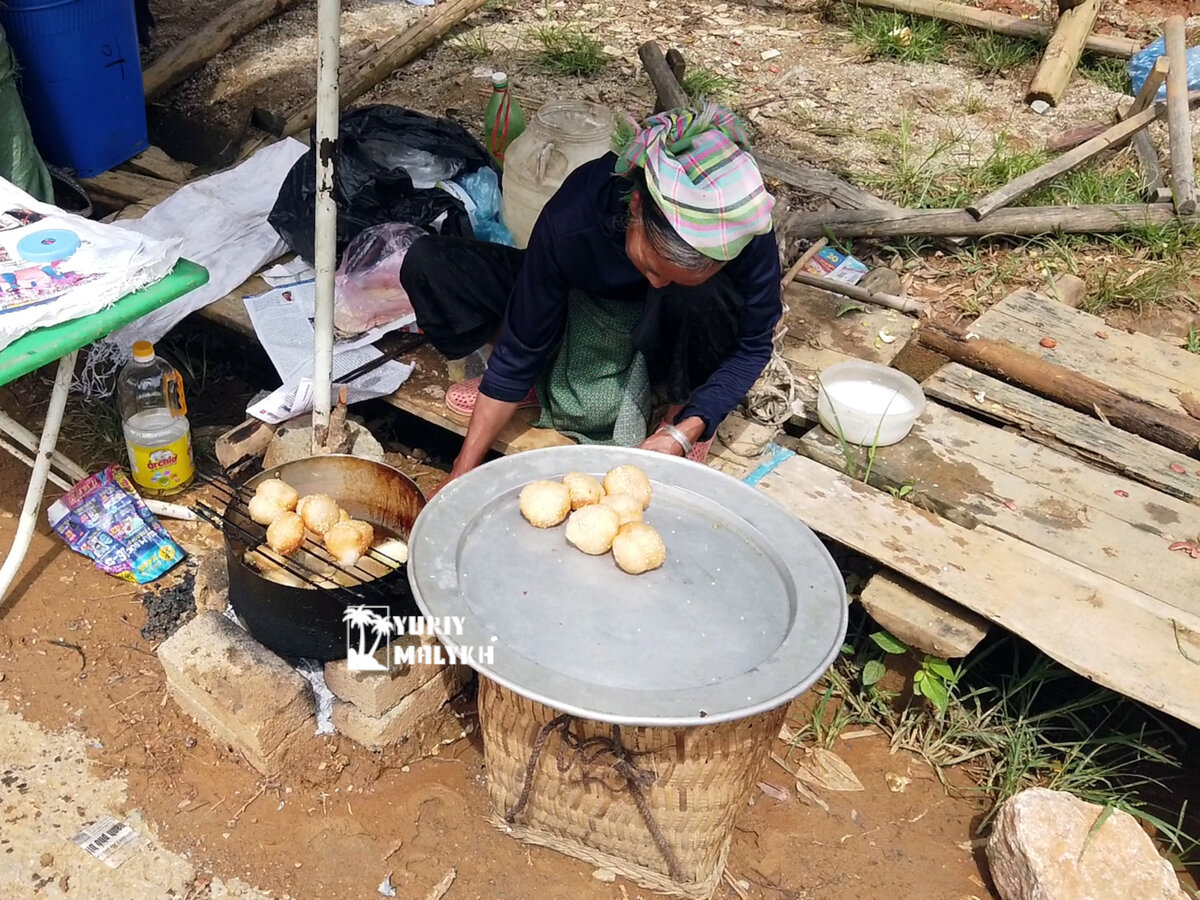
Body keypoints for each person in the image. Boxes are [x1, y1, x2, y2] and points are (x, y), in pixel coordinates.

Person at [399, 103, 781, 488]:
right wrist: (460, 476)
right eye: (651, 266)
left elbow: (752, 346)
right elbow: (522, 338)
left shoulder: (742, 230)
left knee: (701, 297)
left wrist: (686, 430)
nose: (658, 281)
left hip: (673, 326)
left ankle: (680, 413)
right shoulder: (575, 218)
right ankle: (532, 382)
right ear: (635, 207)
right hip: (580, 307)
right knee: (430, 262)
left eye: (675, 276)